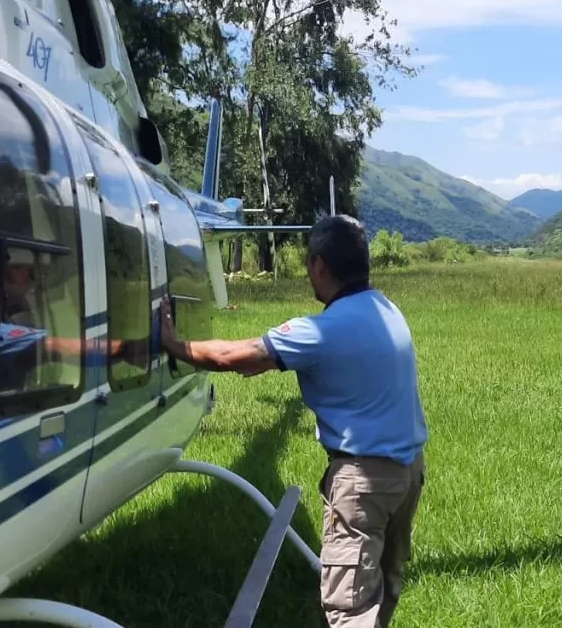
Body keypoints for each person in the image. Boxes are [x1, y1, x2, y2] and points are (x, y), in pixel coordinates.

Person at [158, 214, 428, 628]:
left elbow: (233, 358)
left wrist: (173, 343)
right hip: (408, 473)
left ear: (319, 265)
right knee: (383, 587)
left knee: (350, 608)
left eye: (308, 266)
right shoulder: (386, 309)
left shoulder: (322, 331)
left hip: (364, 482)